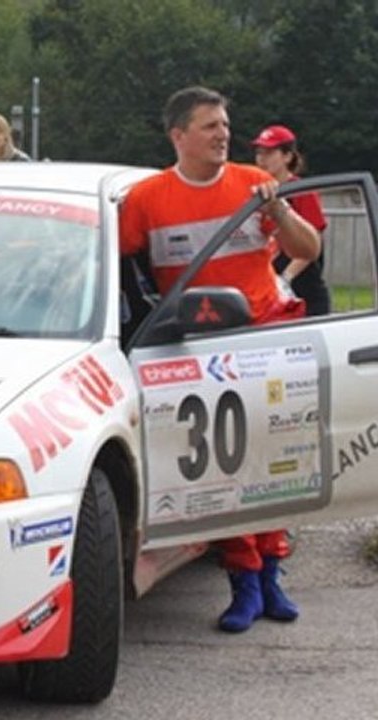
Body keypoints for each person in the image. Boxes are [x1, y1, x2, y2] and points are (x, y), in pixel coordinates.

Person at [119, 86, 321, 634]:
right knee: (224, 466)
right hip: (200, 350)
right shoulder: (146, 199)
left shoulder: (255, 185)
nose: (223, 134)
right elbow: (110, 260)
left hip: (266, 335)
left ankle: (273, 574)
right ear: (178, 135)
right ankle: (244, 582)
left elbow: (307, 250)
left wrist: (277, 206)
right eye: (210, 126)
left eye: (225, 124)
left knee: (276, 460)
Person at [253, 124, 330, 316]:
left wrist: (285, 278)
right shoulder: (257, 192)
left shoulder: (301, 190)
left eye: (269, 153)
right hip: (270, 291)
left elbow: (313, 244)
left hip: (304, 291)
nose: (262, 159)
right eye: (259, 153)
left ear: (287, 156)